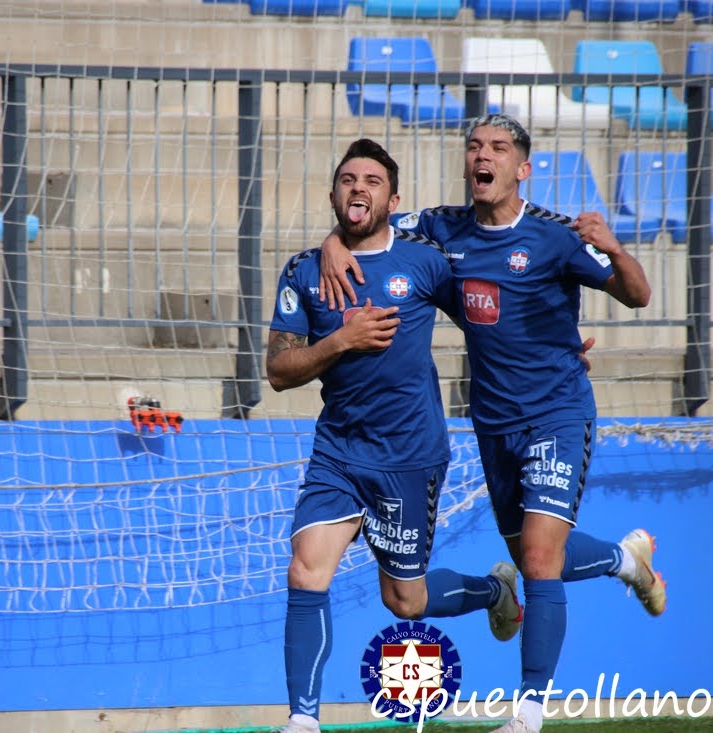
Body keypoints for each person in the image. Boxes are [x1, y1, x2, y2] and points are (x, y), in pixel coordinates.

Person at [317, 115, 666, 733]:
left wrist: (613, 248)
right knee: (536, 556)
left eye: (499, 149)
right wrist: (331, 245)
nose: (484, 156)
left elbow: (637, 295)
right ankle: (625, 561)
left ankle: (528, 712)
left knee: (537, 559)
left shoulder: (556, 237)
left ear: (522, 168)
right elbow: (368, 224)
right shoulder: (442, 228)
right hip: (493, 423)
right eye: (475, 146)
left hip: (557, 413)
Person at [269, 138, 524, 733]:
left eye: (373, 181)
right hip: (338, 452)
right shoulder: (305, 271)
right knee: (306, 570)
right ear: (333, 193)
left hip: (409, 456)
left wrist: (554, 353)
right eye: (348, 179)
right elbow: (279, 372)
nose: (359, 188)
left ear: (394, 198)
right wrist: (340, 341)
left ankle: (494, 592)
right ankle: (303, 720)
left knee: (403, 601)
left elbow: (490, 321)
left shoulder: (424, 262)